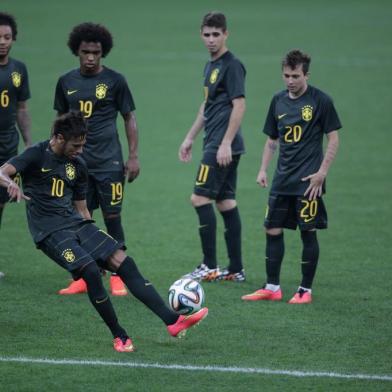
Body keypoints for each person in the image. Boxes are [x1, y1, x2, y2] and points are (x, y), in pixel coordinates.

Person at [0, 111, 208, 352]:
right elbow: (2, 171)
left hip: (75, 224)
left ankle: (173, 322)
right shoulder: (36, 154)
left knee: (125, 263)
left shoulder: (78, 165)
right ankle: (119, 335)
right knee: (90, 270)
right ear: (58, 138)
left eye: (83, 145)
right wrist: (12, 182)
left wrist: (94, 236)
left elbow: (82, 208)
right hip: (49, 234)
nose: (79, 150)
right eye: (75, 145)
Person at [242, 49, 341, 304]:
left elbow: (333, 138)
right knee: (272, 229)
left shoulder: (321, 101)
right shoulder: (277, 100)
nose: (290, 81)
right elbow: (272, 139)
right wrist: (263, 169)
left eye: (295, 76)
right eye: (286, 75)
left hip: (309, 183)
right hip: (282, 180)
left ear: (306, 74)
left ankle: (305, 290)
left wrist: (322, 173)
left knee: (307, 232)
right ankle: (272, 287)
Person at [53, 22, 140, 295]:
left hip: (109, 163)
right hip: (76, 164)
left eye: (96, 52)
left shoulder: (116, 81)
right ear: (76, 51)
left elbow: (129, 117)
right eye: (85, 52)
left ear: (103, 52)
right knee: (80, 219)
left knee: (113, 217)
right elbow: (59, 122)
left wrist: (133, 156)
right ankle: (84, 275)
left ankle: (118, 275)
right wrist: (54, 156)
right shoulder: (66, 82)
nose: (90, 57)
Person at [179, 12, 246, 282]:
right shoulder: (210, 66)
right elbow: (208, 107)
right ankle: (236, 269)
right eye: (206, 34)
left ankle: (209, 265)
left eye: (216, 34)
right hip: (217, 143)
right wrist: (190, 137)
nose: (211, 39)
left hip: (221, 145)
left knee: (199, 198)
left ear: (226, 34)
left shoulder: (232, 65)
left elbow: (239, 104)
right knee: (226, 202)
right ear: (201, 35)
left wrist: (225, 142)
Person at [0, 12, 32, 279]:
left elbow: (21, 108)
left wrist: (29, 143)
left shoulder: (18, 69)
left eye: (7, 37)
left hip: (7, 145)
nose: (2, 42)